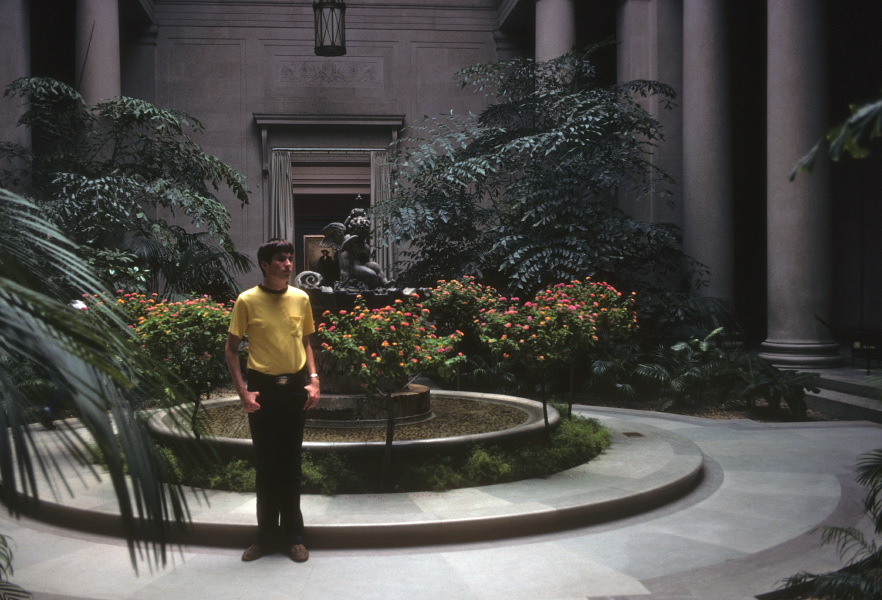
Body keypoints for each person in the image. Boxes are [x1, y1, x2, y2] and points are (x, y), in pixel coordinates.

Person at [224, 238, 320, 563]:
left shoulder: (301, 298)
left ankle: (294, 537)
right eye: (281, 259)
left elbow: (306, 342)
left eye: (290, 258)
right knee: (266, 466)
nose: (288, 264)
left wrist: (314, 380)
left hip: (294, 388)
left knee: (291, 465)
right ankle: (264, 537)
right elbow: (231, 348)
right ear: (265, 265)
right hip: (262, 389)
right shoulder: (247, 300)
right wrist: (243, 392)